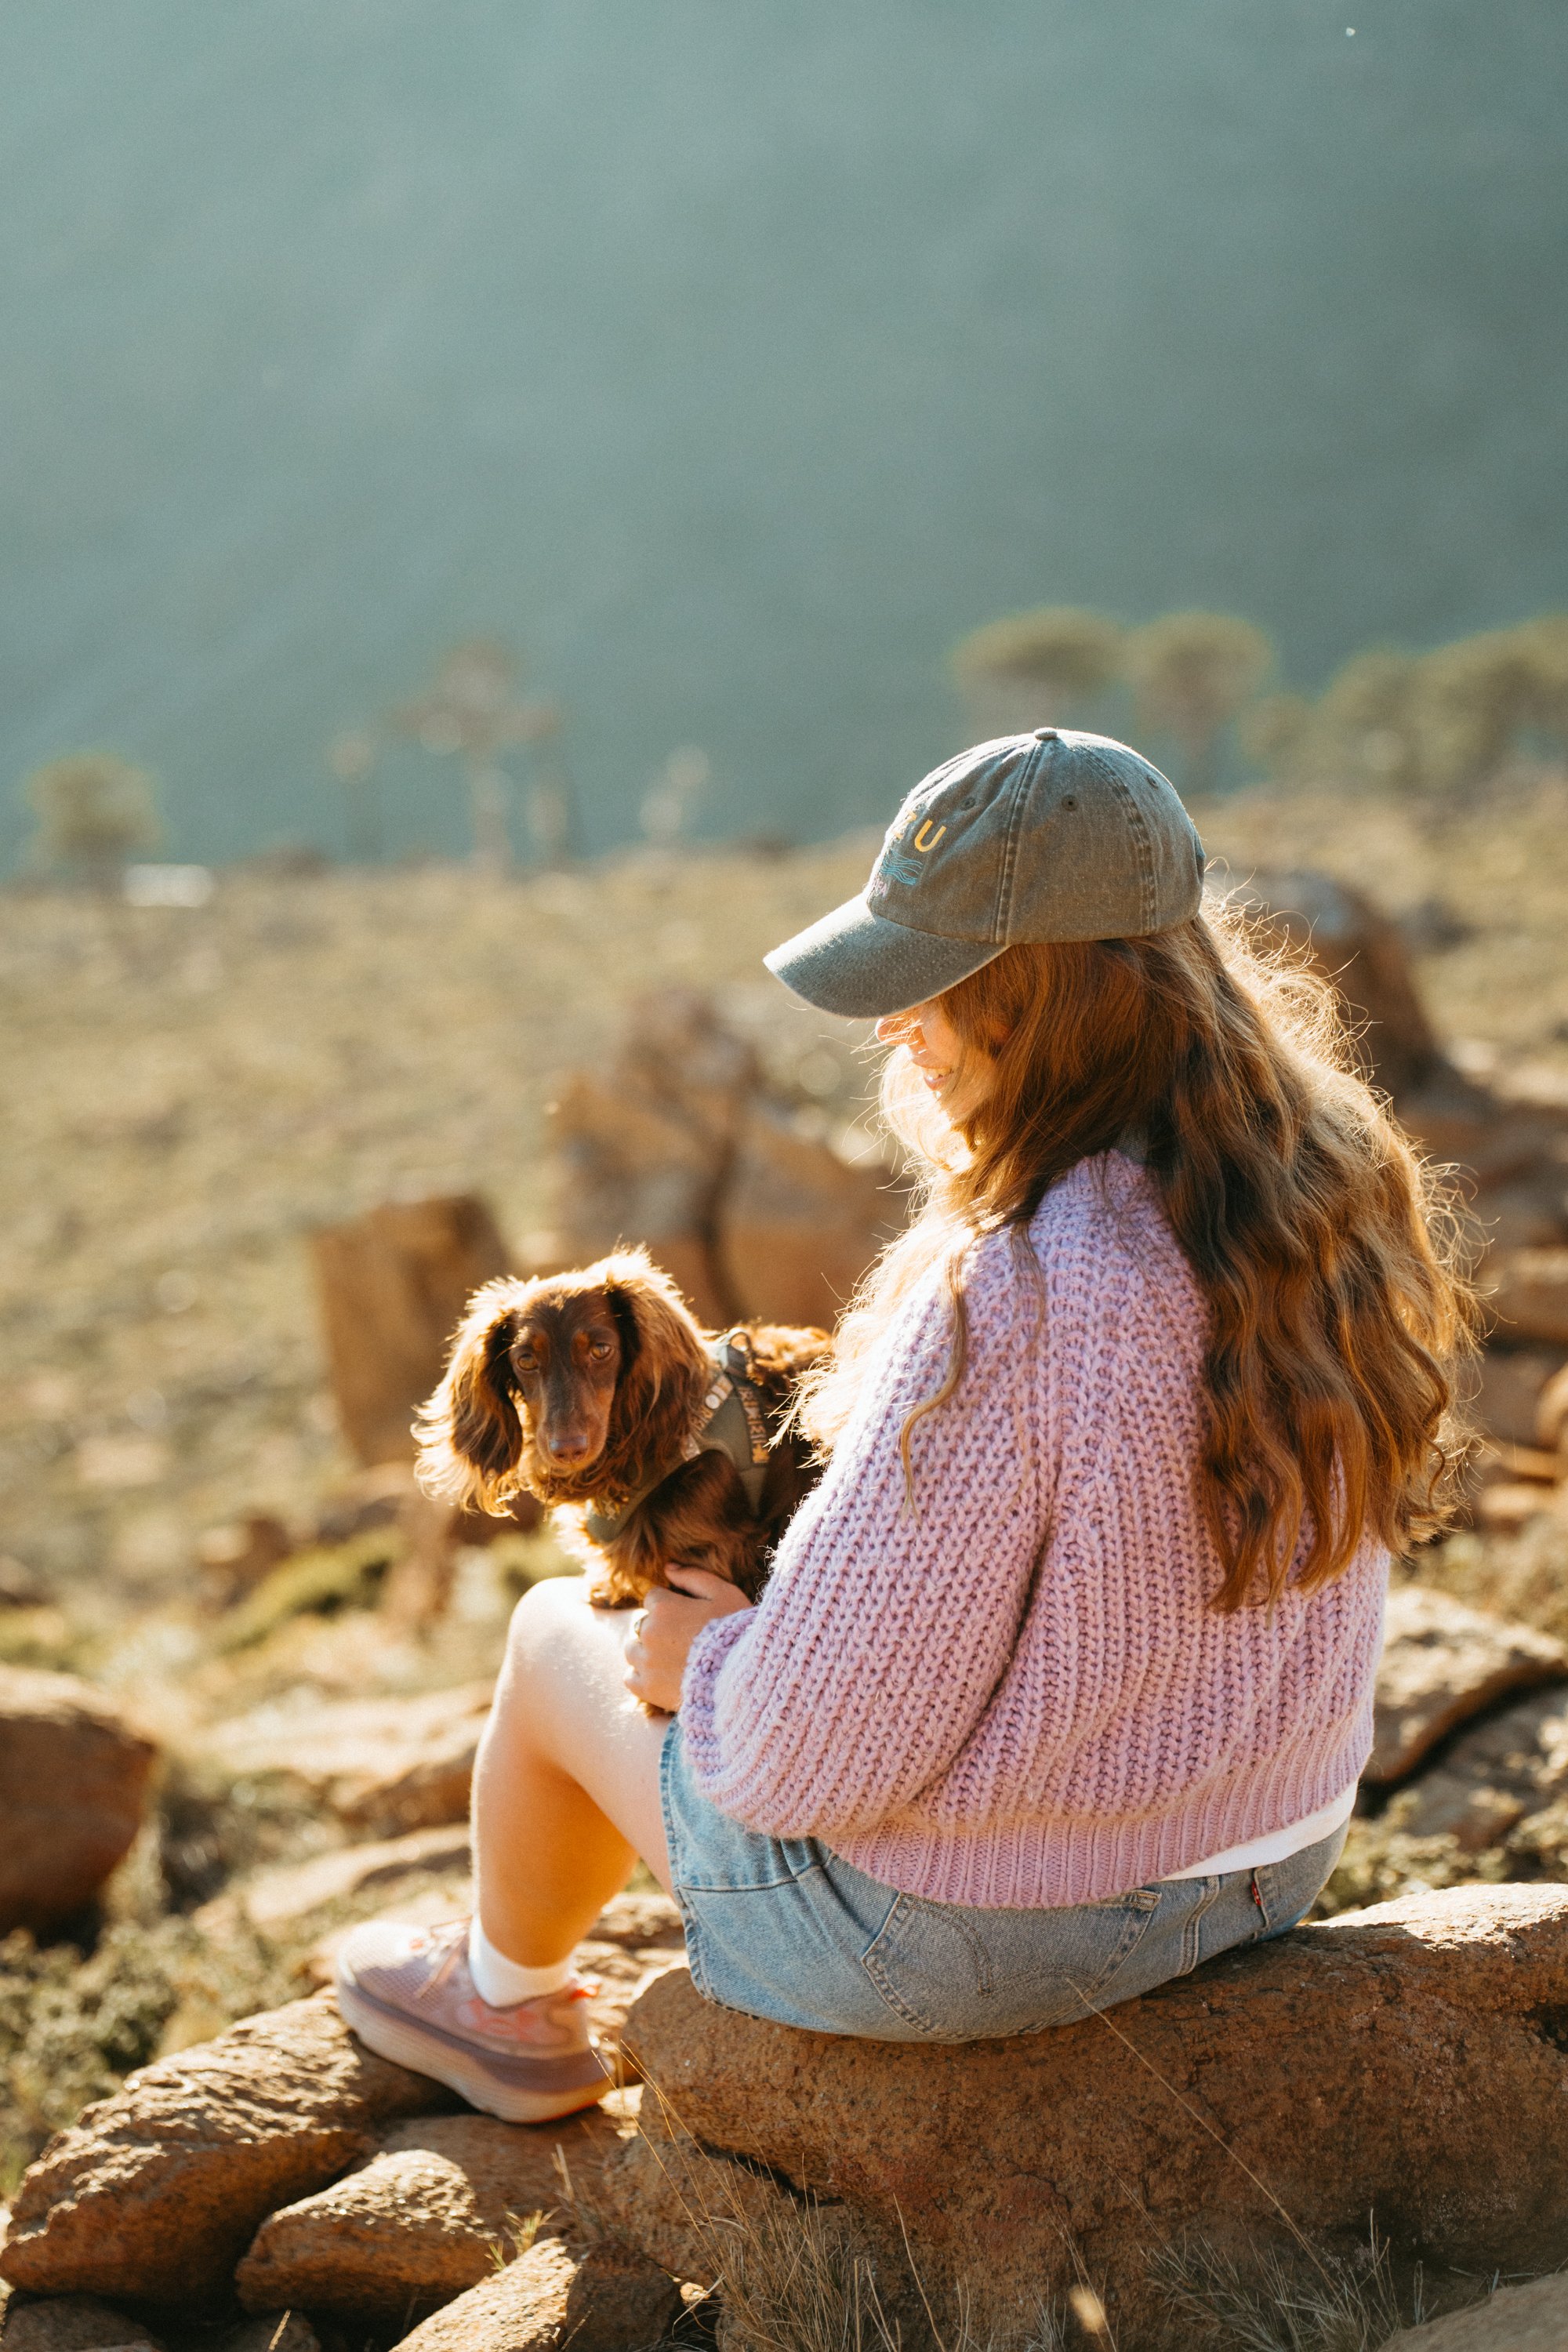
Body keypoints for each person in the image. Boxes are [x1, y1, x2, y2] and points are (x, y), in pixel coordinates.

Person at [336, 728, 1474, 2122]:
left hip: (974, 1945)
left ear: (1034, 996)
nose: (891, 1024)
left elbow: (803, 1758)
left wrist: (710, 1659)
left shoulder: (1018, 1287)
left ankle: (502, 2005)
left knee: (555, 1635)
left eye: (925, 982)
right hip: (1269, 1857)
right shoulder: (1325, 1192)